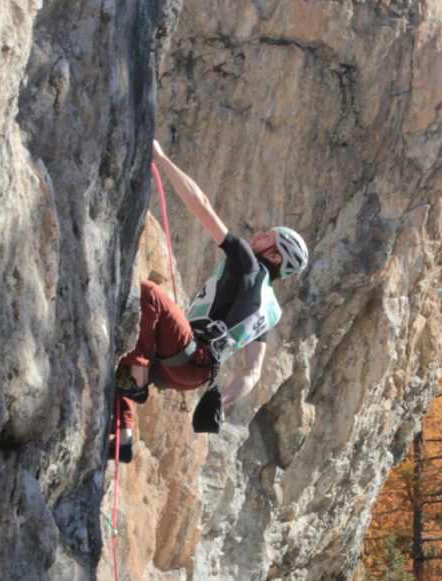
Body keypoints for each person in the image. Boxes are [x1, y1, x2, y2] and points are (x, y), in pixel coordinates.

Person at [109, 140, 309, 461]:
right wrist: (222, 400)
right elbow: (252, 373)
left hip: (190, 352)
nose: (258, 234)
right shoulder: (267, 311)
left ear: (274, 255)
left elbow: (201, 205)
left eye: (268, 236)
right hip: (192, 377)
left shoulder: (247, 262)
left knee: (150, 295)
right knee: (120, 364)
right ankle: (123, 439)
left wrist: (161, 159)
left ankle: (138, 378)